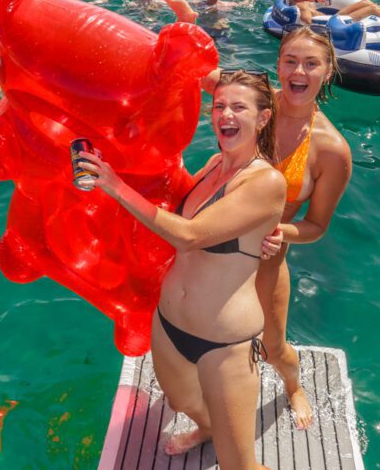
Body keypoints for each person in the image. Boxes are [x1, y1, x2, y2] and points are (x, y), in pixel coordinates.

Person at [151, 0, 354, 429]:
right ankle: (209, 419)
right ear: (278, 64)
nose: (298, 71)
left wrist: (287, 234)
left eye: (311, 63)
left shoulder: (332, 149)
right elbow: (199, 72)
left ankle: (293, 388)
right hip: (207, 249)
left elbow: (317, 224)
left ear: (328, 70)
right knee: (194, 337)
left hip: (263, 262)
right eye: (289, 61)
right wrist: (183, 21)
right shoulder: (253, 99)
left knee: (273, 347)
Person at [77, 70, 286, 467]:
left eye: (238, 107)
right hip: (170, 324)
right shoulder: (212, 165)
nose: (225, 113)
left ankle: (220, 437)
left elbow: (189, 235)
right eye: (219, 106)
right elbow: (174, 207)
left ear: (263, 118)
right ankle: (207, 427)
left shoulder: (266, 182)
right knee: (179, 400)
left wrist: (114, 184)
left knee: (237, 463)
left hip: (224, 344)